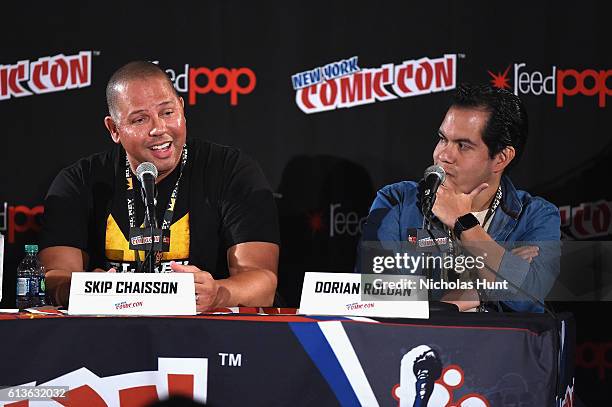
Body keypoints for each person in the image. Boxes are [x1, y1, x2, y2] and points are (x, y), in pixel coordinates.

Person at [39, 61, 279, 312]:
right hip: (109, 333)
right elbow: (53, 276)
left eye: (167, 112)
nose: (159, 128)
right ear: (114, 129)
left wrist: (218, 293)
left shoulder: (232, 171)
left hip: (207, 336)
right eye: (140, 119)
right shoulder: (78, 181)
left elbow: (263, 282)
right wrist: (87, 289)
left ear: (182, 109)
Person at [360, 84, 560, 312]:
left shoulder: (536, 216)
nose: (443, 155)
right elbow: (375, 295)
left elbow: (530, 298)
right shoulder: (396, 202)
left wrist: (463, 221)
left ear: (501, 158)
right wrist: (486, 285)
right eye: (442, 139)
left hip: (496, 347)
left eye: (463, 145)